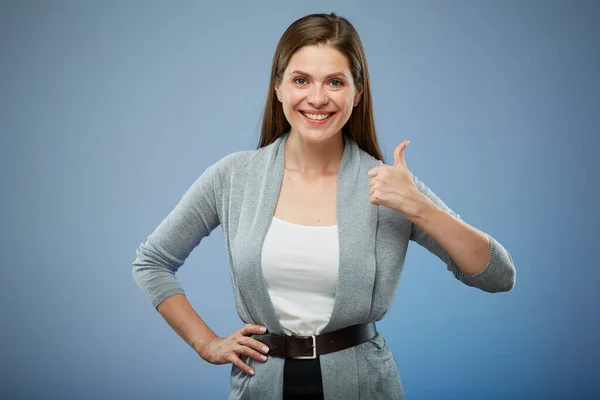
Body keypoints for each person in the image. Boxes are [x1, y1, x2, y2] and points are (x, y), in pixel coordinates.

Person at [132, 12, 516, 400]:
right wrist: (206, 343)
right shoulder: (234, 177)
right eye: (301, 80)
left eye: (335, 82)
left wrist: (418, 206)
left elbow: (498, 276)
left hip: (365, 388)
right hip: (260, 388)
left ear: (357, 93)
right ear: (278, 87)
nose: (317, 98)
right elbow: (152, 263)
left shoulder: (389, 186)